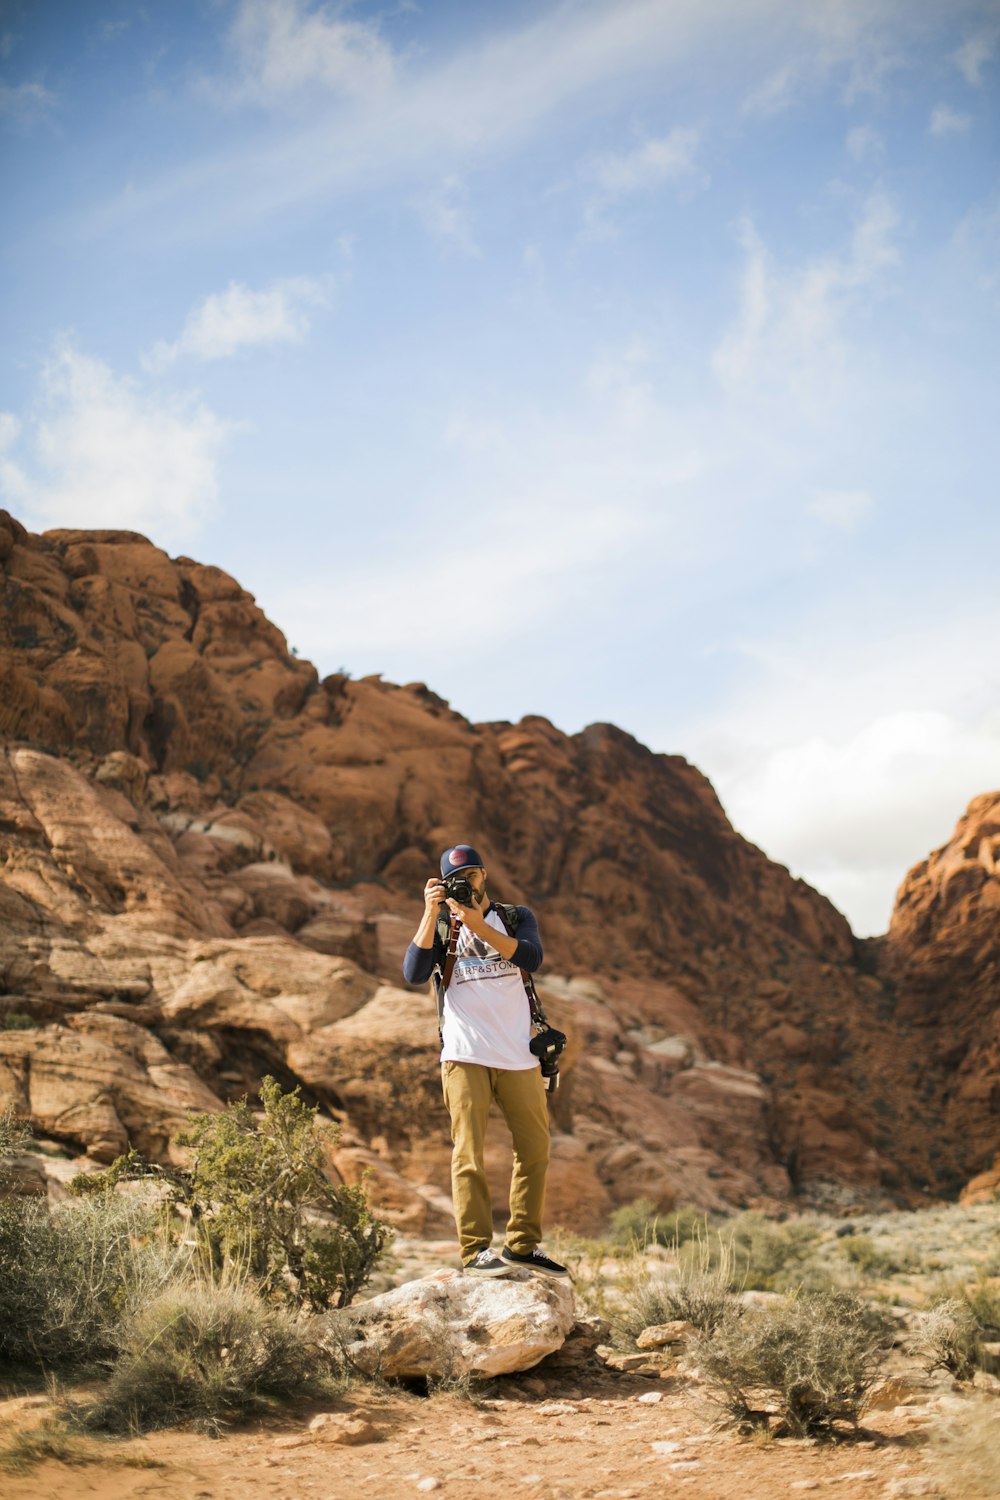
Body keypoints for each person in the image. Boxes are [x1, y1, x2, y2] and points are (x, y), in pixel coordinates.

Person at [402, 843, 568, 1279]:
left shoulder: (515, 917)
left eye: (472, 875)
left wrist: (479, 924)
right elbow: (414, 974)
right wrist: (430, 912)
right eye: (457, 878)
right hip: (464, 1054)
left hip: (518, 1056)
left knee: (535, 1150)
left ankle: (522, 1246)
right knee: (468, 1153)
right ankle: (475, 1250)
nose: (466, 883)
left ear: (484, 875)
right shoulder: (440, 927)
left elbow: (531, 958)